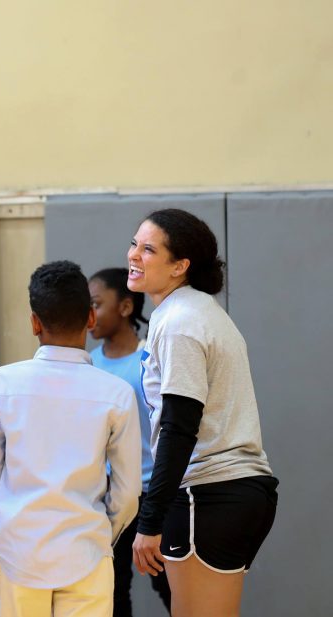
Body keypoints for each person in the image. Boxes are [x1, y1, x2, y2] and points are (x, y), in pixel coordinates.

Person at [127, 209, 279, 617]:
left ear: (180, 266)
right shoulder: (190, 312)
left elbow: (179, 427)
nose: (134, 256)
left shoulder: (181, 321)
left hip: (208, 495)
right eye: (134, 244)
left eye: (149, 249)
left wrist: (149, 520)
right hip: (231, 492)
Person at [0, 260, 141, 617]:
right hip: (87, 550)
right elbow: (127, 493)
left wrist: (4, 522)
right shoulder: (117, 392)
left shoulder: (1, 383)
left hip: (18, 548)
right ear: (90, 319)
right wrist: (99, 535)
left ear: (34, 322)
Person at [89, 268, 172, 616]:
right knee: (111, 588)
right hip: (106, 499)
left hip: (153, 494)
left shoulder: (148, 359)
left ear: (125, 308)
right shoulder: (87, 365)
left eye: (96, 304)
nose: (89, 315)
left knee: (169, 582)